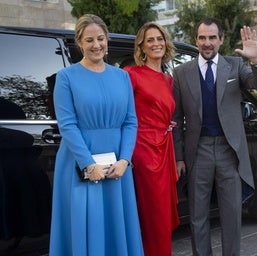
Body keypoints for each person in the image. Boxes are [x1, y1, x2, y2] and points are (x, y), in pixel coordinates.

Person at [173, 17, 257, 255]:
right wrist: (179, 157)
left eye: (212, 38)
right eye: (203, 38)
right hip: (197, 152)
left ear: (221, 40)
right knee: (197, 217)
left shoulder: (235, 65)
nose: (207, 43)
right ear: (196, 40)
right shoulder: (181, 72)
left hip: (230, 152)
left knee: (231, 215)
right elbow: (175, 120)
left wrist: (256, 60)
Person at [49, 14, 143, 255]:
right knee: (85, 224)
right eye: (89, 40)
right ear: (79, 42)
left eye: (100, 38)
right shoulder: (66, 77)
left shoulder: (122, 76)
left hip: (118, 166)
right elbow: (67, 125)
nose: (96, 45)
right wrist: (88, 165)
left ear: (107, 39)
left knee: (116, 224)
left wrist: (125, 160)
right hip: (80, 163)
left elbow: (131, 121)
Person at [124, 22, 179, 256]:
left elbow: (159, 109)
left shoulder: (168, 79)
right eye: (150, 40)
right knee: (152, 213)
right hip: (144, 150)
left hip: (165, 148)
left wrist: (167, 121)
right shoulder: (131, 74)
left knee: (163, 213)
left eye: (159, 38)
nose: (156, 43)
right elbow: (123, 112)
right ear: (142, 47)